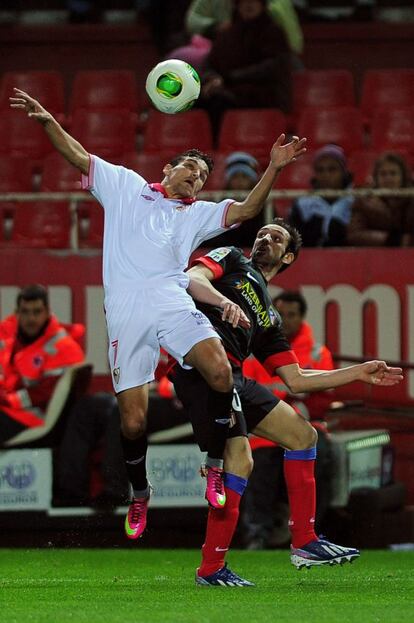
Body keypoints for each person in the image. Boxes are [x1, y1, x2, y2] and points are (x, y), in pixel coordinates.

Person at [10, 88, 306, 540]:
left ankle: (212, 464)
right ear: (168, 169)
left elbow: (246, 209)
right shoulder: (126, 186)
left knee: (221, 371)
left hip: (172, 300)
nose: (198, 178)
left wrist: (274, 167)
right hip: (127, 313)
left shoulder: (198, 215)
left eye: (205, 175)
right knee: (131, 420)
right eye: (192, 168)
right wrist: (48, 119)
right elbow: (77, 155)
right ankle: (140, 494)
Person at [170, 218, 403, 586]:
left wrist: (357, 372)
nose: (265, 238)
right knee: (241, 460)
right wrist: (222, 303)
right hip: (202, 369)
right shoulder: (232, 257)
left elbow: (296, 379)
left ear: (288, 256)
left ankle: (304, 541)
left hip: (234, 378)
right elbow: (193, 278)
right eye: (263, 234)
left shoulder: (269, 316)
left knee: (302, 435)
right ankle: (211, 569)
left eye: (276, 238)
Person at [241, 290, 336, 549]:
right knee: (256, 465)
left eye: (292, 315)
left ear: (302, 317)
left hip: (306, 428)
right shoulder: (255, 348)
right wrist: (290, 393)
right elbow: (246, 391)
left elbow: (321, 400)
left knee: (322, 457)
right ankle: (257, 532)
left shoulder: (317, 352)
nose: (286, 320)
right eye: (281, 314)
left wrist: (277, 392)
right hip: (264, 431)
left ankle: (311, 531)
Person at [0, 284, 85, 445]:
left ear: (47, 312)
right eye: (25, 312)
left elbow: (46, 393)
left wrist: (9, 400)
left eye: (37, 312)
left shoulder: (61, 346)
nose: (31, 319)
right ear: (16, 314)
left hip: (35, 417)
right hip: (12, 412)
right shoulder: (11, 340)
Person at [199, 0, 292, 140]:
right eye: (244, 1)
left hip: (262, 95)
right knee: (197, 99)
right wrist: (212, 78)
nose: (249, 5)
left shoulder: (274, 32)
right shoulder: (227, 34)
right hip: (228, 90)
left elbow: (272, 67)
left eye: (254, 1)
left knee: (218, 103)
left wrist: (228, 78)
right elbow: (209, 64)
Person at [288, 144, 354, 246]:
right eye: (320, 170)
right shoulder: (302, 204)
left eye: (332, 169)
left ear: (343, 172)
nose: (325, 175)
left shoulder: (356, 201)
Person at [346, 152, 414, 247]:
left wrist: (408, 240)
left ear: (403, 176)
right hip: (375, 257)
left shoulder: (412, 199)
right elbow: (354, 235)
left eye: (393, 173)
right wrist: (389, 239)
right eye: (383, 174)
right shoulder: (363, 201)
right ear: (376, 178)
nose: (388, 178)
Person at [208, 151, 263, 248]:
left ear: (252, 180)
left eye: (244, 177)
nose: (240, 181)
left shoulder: (265, 205)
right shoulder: (219, 204)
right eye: (235, 176)